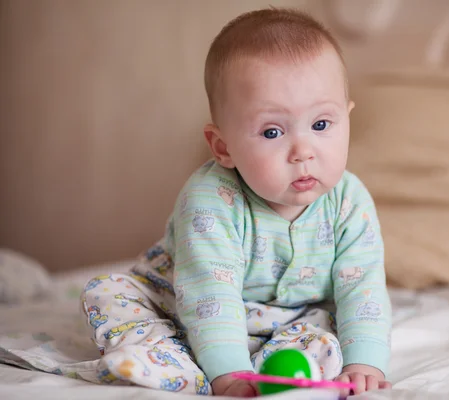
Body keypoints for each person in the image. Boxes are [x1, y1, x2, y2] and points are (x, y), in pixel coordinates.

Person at [81, 7, 392, 397]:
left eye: (321, 125)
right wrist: (229, 374)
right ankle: (166, 357)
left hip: (293, 318)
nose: (302, 152)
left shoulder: (349, 200)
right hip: (183, 301)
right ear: (223, 147)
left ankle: (277, 370)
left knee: (325, 341)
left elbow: (362, 286)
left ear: (347, 119)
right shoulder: (211, 200)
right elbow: (208, 292)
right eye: (273, 131)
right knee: (108, 292)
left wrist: (363, 362)